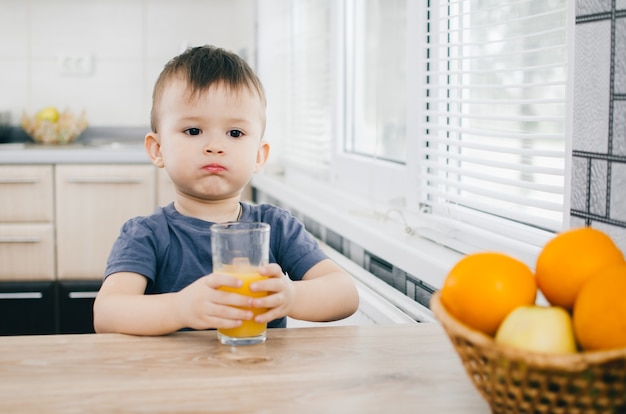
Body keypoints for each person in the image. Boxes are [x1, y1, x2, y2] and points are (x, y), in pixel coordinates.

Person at [93, 45, 359, 335]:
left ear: (259, 155)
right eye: (193, 131)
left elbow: (345, 295)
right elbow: (107, 314)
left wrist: (292, 297)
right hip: (174, 377)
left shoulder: (276, 227)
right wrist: (181, 308)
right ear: (158, 149)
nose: (215, 146)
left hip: (259, 373)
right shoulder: (146, 235)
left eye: (235, 133)